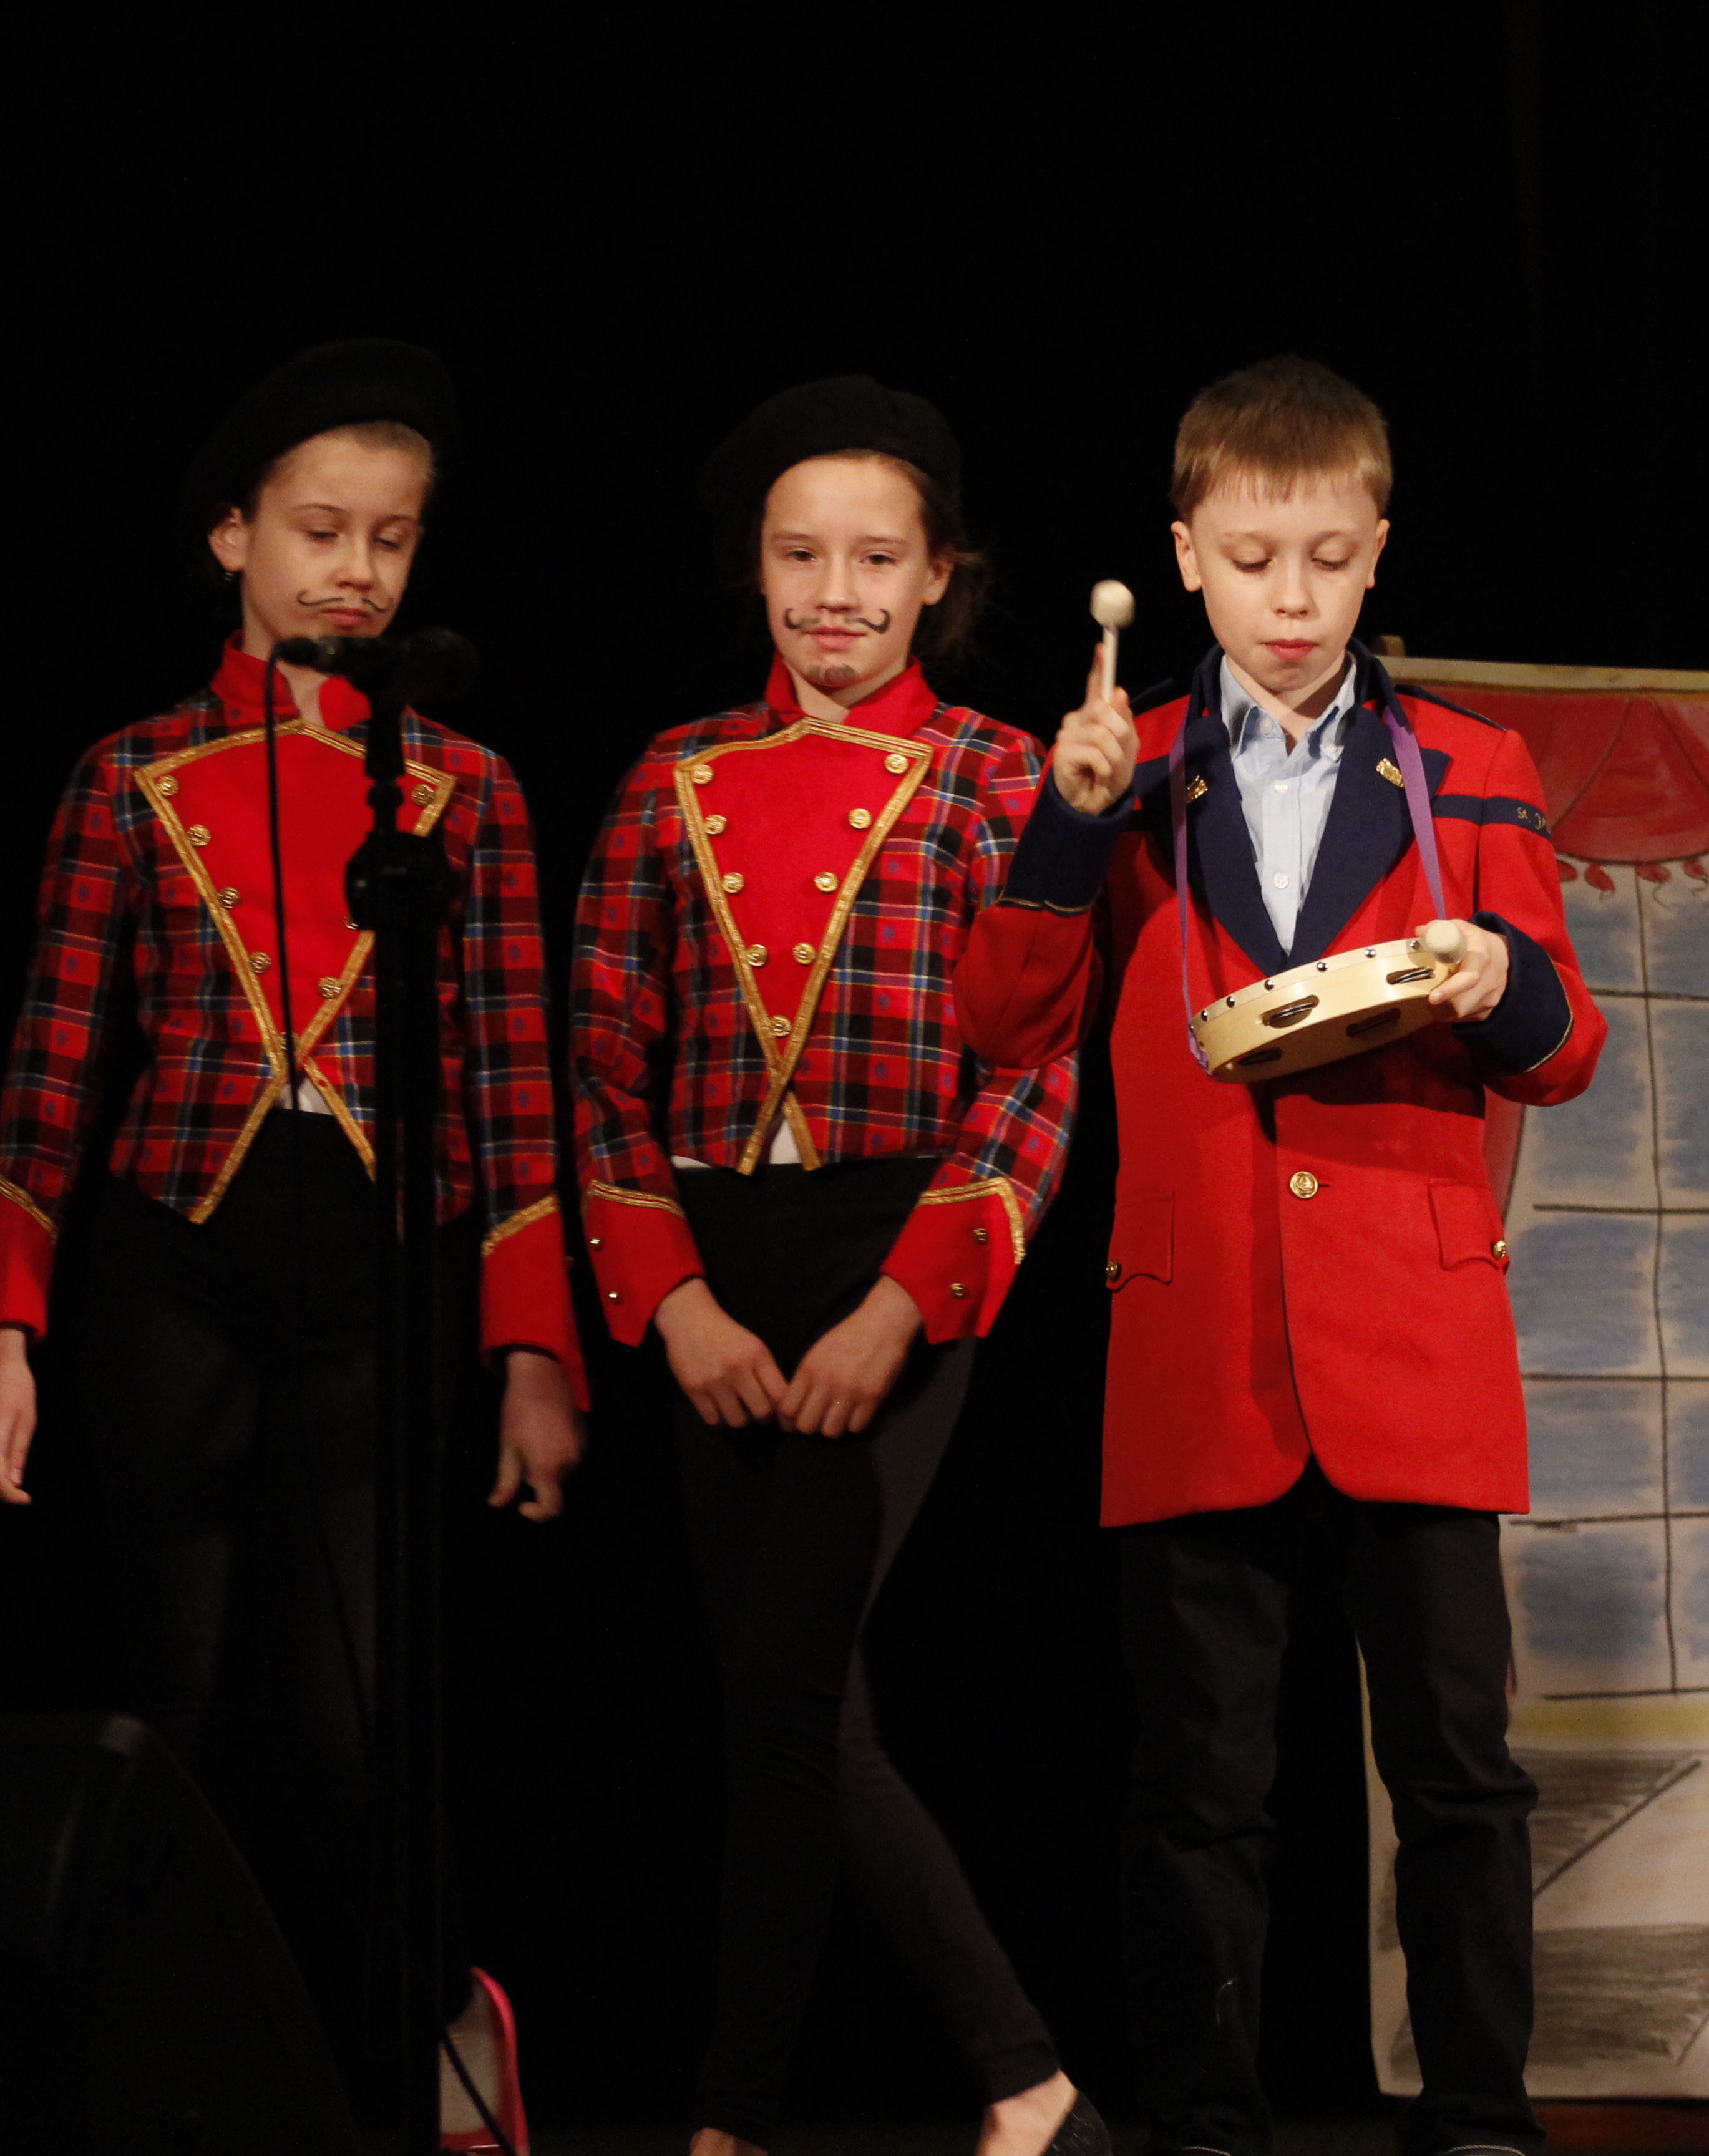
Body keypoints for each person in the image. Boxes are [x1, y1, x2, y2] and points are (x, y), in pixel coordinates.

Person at [954, 356, 1606, 2156]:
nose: (1293, 599)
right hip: (1203, 1322)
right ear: (1186, 556)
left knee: (1459, 1772)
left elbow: (1563, 1047)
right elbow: (1004, 1024)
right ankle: (1204, 2121)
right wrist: (1069, 820)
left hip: (1414, 1327)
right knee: (1198, 1781)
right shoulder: (1132, 763)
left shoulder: (1469, 766)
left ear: (1378, 548)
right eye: (1253, 561)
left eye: (1327, 557)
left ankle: (1478, 2115)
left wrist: (1499, 977)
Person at [0, 339, 583, 2152]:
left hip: (383, 1271)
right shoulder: (130, 776)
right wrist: (2, 1328)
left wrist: (535, 1348)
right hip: (177, 1261)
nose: (355, 570)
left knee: (353, 1719)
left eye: (391, 537)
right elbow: (53, 1072)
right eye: (318, 530)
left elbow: (514, 1085)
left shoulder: (464, 786)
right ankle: (194, 2073)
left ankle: (437, 2024)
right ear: (232, 535)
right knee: (184, 1701)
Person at [568, 378, 1102, 2156]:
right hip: (720, 1263)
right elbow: (600, 1068)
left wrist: (902, 1306)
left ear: (940, 575)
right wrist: (675, 1304)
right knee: (782, 1715)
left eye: (878, 560)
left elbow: (1032, 1071)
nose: (836, 594)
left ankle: (1001, 2085)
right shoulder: (671, 778)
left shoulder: (999, 776)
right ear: (757, 569)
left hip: (893, 1250)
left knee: (791, 1689)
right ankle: (800, 2114)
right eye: (801, 558)